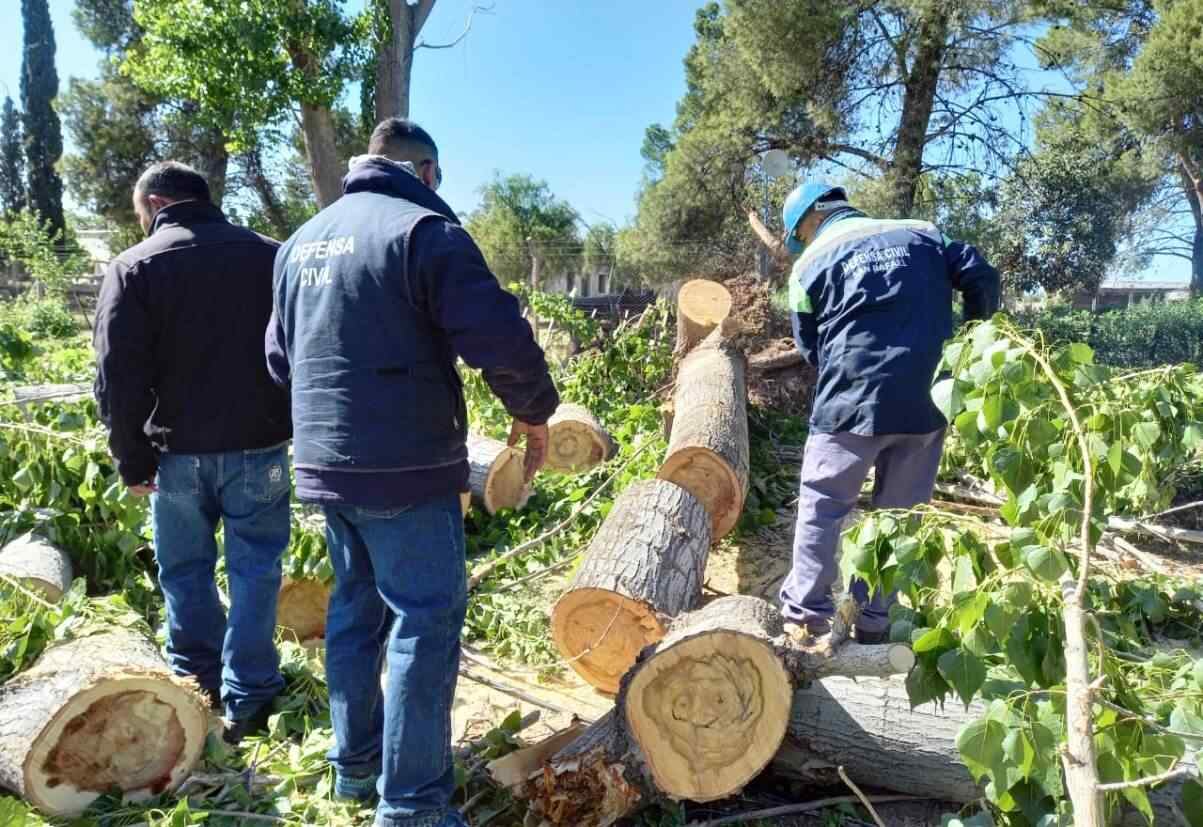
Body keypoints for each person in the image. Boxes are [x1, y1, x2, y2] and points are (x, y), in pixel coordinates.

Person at [265, 118, 559, 827]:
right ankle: (413, 805)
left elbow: (278, 362)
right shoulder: (425, 232)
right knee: (424, 622)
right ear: (424, 171)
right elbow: (496, 334)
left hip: (326, 467)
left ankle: (354, 766)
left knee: (355, 611)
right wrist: (534, 409)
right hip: (405, 466)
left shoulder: (298, 244)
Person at [93, 161, 291, 743]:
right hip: (260, 445)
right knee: (256, 567)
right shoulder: (272, 256)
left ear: (154, 203)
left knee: (185, 571)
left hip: (175, 451)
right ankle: (251, 694)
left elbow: (117, 375)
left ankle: (197, 681)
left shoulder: (135, 267)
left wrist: (132, 459)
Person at [777, 181, 1000, 643]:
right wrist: (971, 343)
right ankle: (872, 621)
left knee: (823, 508)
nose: (802, 241)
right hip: (927, 399)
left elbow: (809, 345)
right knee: (897, 518)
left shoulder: (807, 266)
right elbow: (982, 275)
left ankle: (806, 619)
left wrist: (849, 373)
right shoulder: (924, 234)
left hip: (847, 401)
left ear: (809, 221)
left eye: (799, 233)